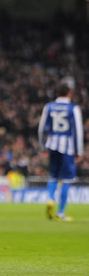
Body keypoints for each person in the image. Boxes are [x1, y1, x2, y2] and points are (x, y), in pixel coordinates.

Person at [38, 82, 84, 222]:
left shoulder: (49, 106)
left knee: (53, 176)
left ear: (56, 93)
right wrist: (79, 151)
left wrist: (42, 147)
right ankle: (61, 212)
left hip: (52, 144)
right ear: (69, 93)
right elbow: (78, 131)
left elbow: (41, 129)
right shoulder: (73, 108)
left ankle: (50, 198)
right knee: (66, 179)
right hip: (67, 147)